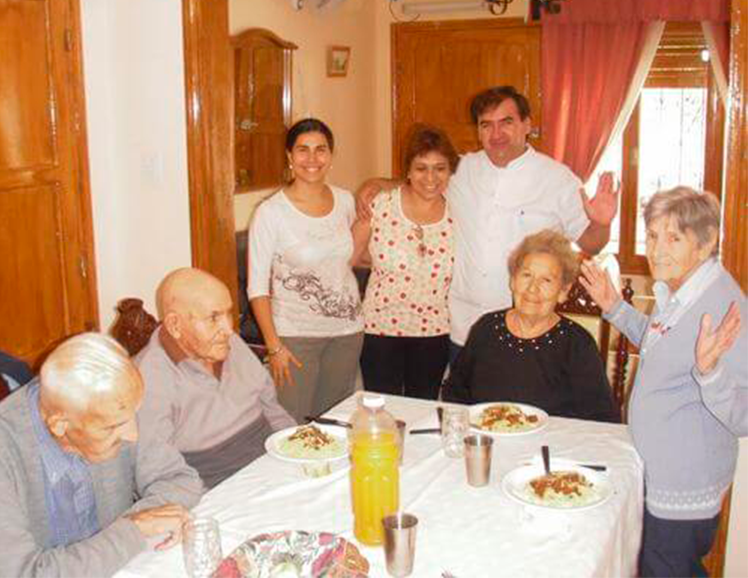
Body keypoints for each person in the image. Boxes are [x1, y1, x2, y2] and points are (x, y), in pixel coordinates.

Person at [357, 86, 618, 361]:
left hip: (524, 326)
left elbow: (592, 242)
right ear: (478, 131)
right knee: (459, 403)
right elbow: (424, 181)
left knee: (514, 404)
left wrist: (601, 223)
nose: (496, 134)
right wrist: (376, 184)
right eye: (486, 125)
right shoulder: (462, 168)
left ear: (526, 124)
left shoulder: (558, 179)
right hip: (461, 327)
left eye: (506, 123)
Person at [579, 187, 747, 577]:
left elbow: (744, 417)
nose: (657, 249)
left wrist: (712, 373)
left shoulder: (722, 306)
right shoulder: (685, 291)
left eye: (673, 238)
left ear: (705, 245)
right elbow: (663, 346)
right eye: (652, 235)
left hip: (684, 488)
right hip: (664, 475)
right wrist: (615, 309)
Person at [0, 333, 202, 578]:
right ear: (60, 425)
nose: (132, 435)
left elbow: (181, 480)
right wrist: (133, 531)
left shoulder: (110, 402)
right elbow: (23, 573)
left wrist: (133, 529)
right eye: (112, 428)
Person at [135, 268, 296, 488]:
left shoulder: (230, 344)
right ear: (175, 325)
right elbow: (160, 473)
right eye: (214, 317)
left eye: (229, 313)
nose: (229, 329)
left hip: (274, 465)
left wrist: (296, 451)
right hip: (218, 488)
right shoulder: (148, 378)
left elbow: (272, 409)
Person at [248, 118, 363, 423]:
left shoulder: (344, 200)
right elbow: (257, 289)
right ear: (289, 156)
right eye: (302, 150)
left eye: (320, 150)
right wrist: (274, 347)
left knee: (336, 422)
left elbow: (344, 261)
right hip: (295, 338)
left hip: (346, 333)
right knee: (293, 425)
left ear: (331, 155)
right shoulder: (271, 213)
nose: (312, 159)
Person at [442, 230, 620, 422]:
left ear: (563, 291)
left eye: (546, 280)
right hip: (487, 442)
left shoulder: (577, 344)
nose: (533, 288)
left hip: (550, 448)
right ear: (512, 280)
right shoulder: (485, 328)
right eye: (526, 275)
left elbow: (602, 417)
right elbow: (455, 393)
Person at [351, 124, 458, 399]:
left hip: (434, 332)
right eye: (421, 167)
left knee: (422, 410)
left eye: (440, 168)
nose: (430, 177)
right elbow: (348, 259)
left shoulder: (459, 212)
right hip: (379, 330)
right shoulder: (380, 204)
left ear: (450, 171)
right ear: (407, 171)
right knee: (381, 411)